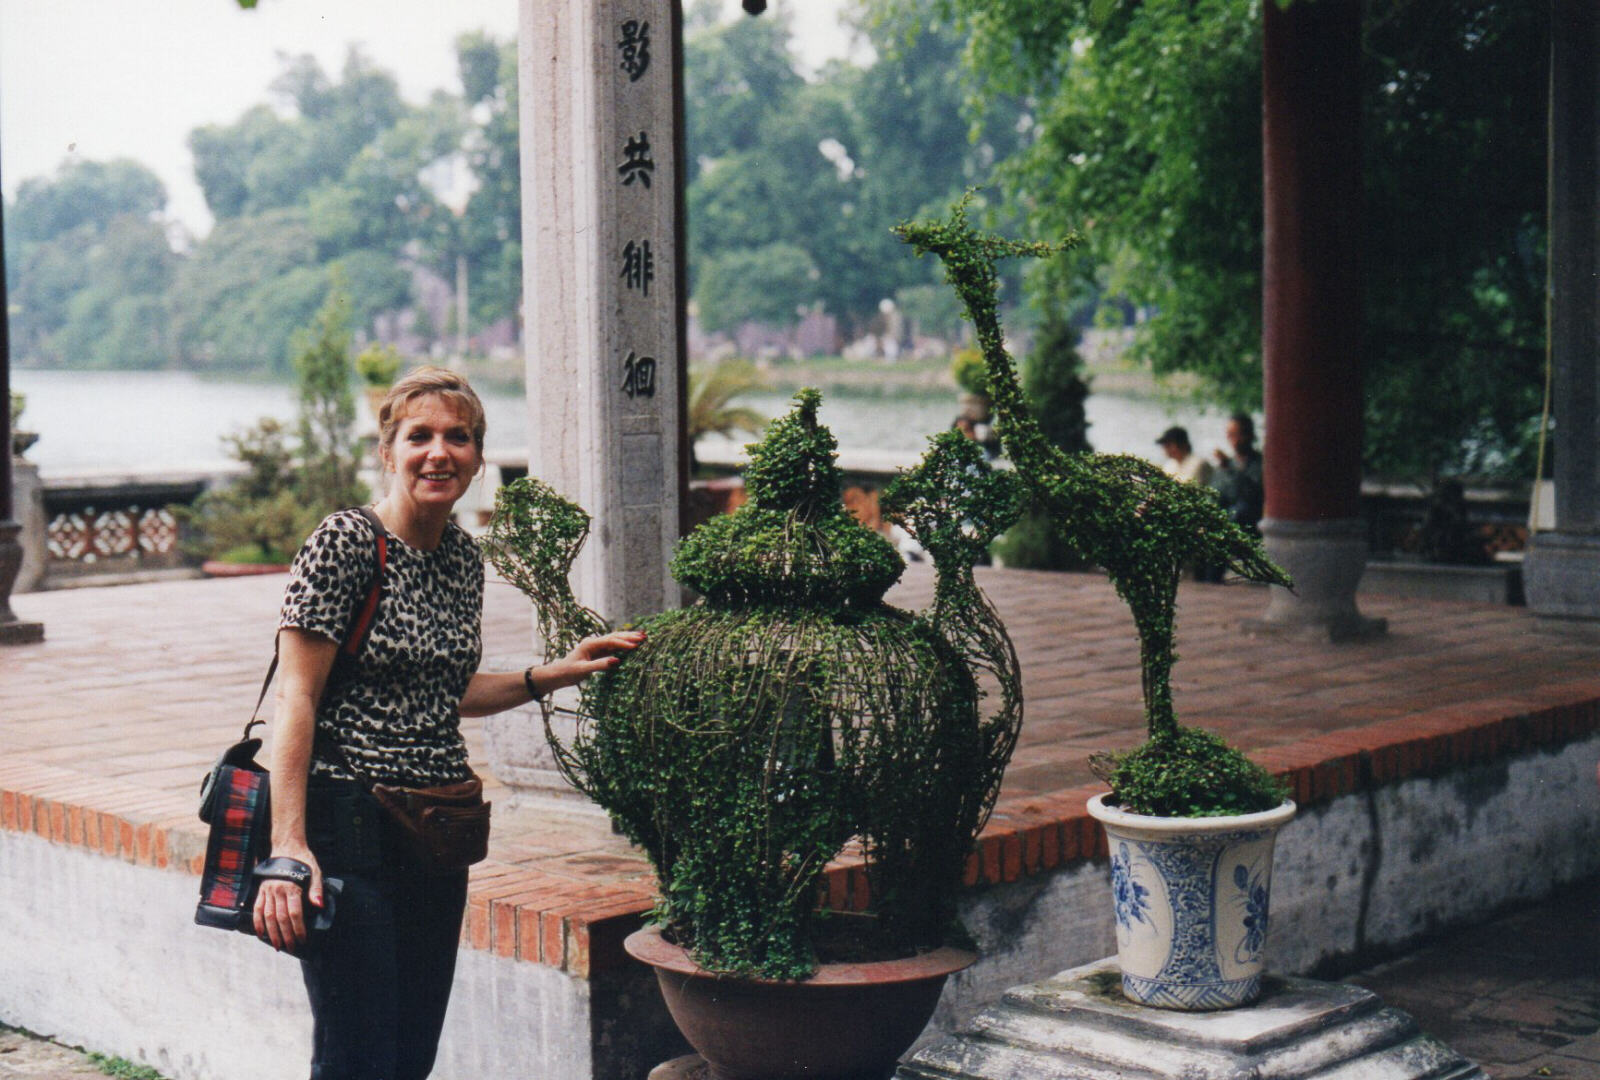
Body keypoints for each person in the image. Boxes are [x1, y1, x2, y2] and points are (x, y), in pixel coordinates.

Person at [253, 365, 643, 1080]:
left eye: (457, 437)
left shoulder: (463, 558)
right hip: (348, 837)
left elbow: (446, 688)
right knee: (357, 1058)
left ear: (478, 456)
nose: (440, 452)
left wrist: (558, 671)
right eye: (420, 436)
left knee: (411, 1055)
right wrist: (287, 848)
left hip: (436, 836)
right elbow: (296, 698)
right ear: (388, 450)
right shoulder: (344, 543)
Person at [1210, 411, 1264, 535]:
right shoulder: (1225, 466)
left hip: (1249, 525)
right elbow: (1214, 496)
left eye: (1238, 435)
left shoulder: (1261, 464)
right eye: (1230, 435)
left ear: (1250, 435)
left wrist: (1230, 470)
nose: (1235, 441)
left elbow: (1252, 494)